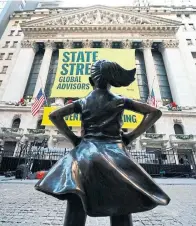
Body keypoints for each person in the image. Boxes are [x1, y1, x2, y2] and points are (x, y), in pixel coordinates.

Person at [35, 60, 170, 226]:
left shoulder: (83, 102)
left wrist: (75, 140)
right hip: (115, 156)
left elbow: (55, 116)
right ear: (112, 82)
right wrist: (131, 136)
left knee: (76, 200)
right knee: (122, 204)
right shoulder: (120, 100)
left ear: (92, 80)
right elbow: (155, 112)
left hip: (84, 155)